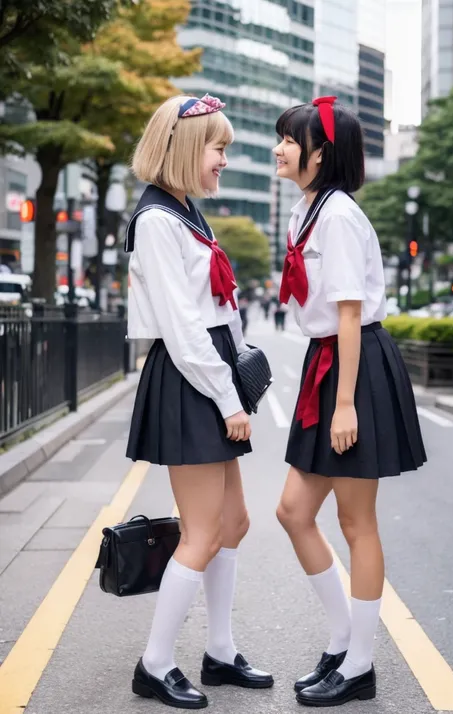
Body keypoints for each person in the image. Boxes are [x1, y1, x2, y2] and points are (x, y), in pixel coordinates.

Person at [273, 97, 426, 707]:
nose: (280, 147)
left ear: (319, 154)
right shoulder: (307, 208)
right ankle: (344, 639)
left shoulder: (336, 216)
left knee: (356, 521)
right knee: (292, 511)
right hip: (328, 359)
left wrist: (344, 404)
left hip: (351, 363)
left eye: (290, 139)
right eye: (281, 137)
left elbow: (349, 312)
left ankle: (359, 663)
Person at [125, 94, 273, 710]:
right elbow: (183, 329)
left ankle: (219, 651)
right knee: (204, 531)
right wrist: (226, 397)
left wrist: (235, 379)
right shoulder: (159, 220)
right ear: (188, 149)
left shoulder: (187, 214)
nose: (223, 161)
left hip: (207, 374)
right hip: (190, 378)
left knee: (232, 524)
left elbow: (216, 313)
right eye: (218, 149)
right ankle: (154, 665)